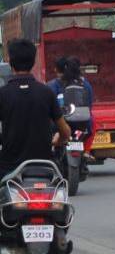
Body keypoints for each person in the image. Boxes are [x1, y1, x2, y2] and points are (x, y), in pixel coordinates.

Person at [0, 39, 71, 177]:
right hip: (44, 167)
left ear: (10, 62)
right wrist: (58, 139)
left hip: (9, 169)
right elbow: (65, 131)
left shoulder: (3, 94)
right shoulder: (47, 92)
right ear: (33, 61)